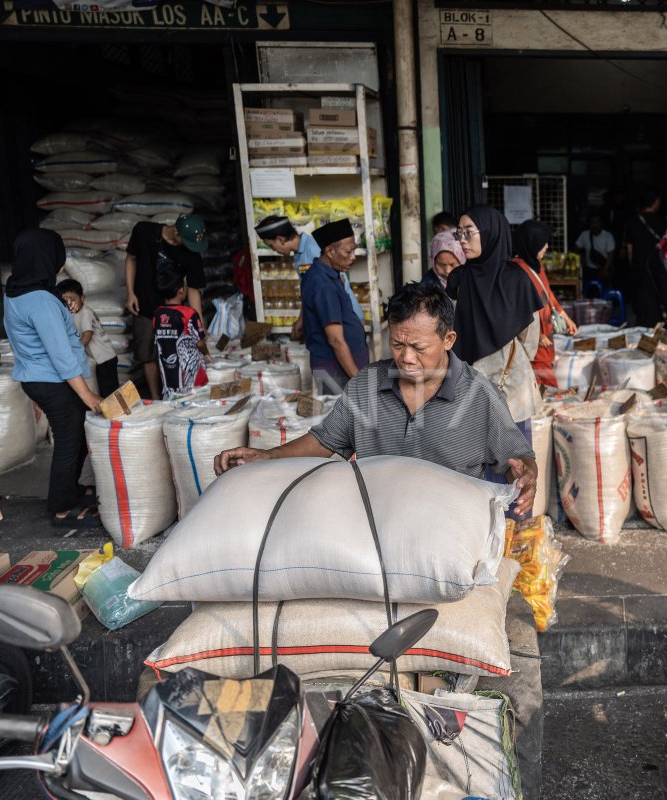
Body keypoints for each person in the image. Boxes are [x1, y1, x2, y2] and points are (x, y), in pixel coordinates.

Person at [211, 283, 544, 796]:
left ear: (449, 339)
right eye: (398, 343)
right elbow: (324, 443)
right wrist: (266, 458)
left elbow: (518, 456)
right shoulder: (367, 387)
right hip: (366, 542)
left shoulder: (479, 396)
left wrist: (527, 473)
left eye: (420, 346)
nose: (406, 358)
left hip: (440, 554)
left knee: (505, 655)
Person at [3, 229, 102, 528]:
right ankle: (61, 507)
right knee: (70, 441)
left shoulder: (16, 291)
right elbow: (60, 354)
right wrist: (89, 396)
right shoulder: (40, 300)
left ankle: (70, 491)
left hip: (41, 378)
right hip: (53, 380)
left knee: (75, 437)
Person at [448, 205, 544, 504]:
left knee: (516, 471)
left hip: (510, 392)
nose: (462, 240)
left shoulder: (517, 278)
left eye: (468, 232)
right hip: (472, 390)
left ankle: (515, 540)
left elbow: (531, 339)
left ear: (490, 233)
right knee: (477, 478)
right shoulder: (458, 279)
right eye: (459, 233)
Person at [124, 214, 207, 400]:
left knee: (177, 353)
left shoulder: (192, 251)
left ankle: (179, 395)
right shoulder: (144, 231)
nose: (189, 247)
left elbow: (193, 289)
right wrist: (130, 293)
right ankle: (155, 399)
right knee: (147, 353)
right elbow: (131, 259)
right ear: (175, 230)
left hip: (174, 313)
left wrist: (199, 325)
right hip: (145, 304)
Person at [255, 215, 362, 341]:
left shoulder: (313, 248)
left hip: (342, 318)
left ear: (281, 239)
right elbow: (309, 292)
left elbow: (338, 282)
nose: (274, 250)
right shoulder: (299, 255)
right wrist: (302, 319)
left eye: (272, 246)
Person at [301, 219, 369, 393]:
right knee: (342, 417)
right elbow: (336, 340)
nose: (353, 256)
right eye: (348, 251)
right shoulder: (323, 285)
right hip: (335, 370)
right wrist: (356, 378)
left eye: (354, 249)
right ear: (330, 251)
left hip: (341, 367)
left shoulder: (330, 274)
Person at [512, 219, 579, 388]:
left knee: (545, 377)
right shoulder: (516, 272)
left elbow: (547, 293)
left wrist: (564, 315)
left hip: (544, 335)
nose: (547, 247)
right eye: (543, 243)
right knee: (544, 383)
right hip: (532, 340)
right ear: (532, 243)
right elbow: (515, 309)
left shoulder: (536, 266)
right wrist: (536, 335)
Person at [153, 267, 211, 400]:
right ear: (180, 290)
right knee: (194, 403)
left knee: (173, 403)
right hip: (190, 375)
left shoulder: (157, 314)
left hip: (168, 374)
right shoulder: (189, 314)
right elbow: (200, 342)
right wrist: (207, 353)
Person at [56, 277, 119, 396]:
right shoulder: (73, 314)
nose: (70, 303)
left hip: (105, 359)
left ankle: (118, 414)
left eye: (73, 299)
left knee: (110, 392)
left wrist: (75, 351)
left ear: (82, 298)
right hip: (99, 360)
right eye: (65, 301)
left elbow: (87, 335)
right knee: (103, 391)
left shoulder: (85, 312)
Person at [623, 186, 664, 302]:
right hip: (658, 269)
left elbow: (629, 250)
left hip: (639, 269)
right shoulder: (663, 222)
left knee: (641, 302)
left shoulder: (632, 222)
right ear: (655, 201)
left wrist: (633, 267)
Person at [574, 212, 615, 282]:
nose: (594, 225)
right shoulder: (584, 235)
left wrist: (605, 269)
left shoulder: (608, 236)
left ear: (601, 224)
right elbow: (576, 248)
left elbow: (611, 255)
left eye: (597, 223)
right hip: (589, 269)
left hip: (604, 268)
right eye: (592, 223)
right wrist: (581, 257)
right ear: (589, 224)